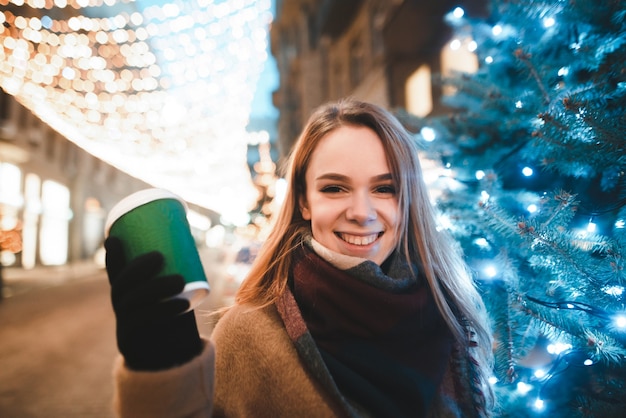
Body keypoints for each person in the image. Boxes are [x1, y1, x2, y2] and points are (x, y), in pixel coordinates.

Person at [105, 98, 494, 417]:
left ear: (407, 200)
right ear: (305, 202)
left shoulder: (448, 314)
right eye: (335, 188)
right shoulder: (250, 334)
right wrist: (159, 378)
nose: (362, 212)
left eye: (385, 188)